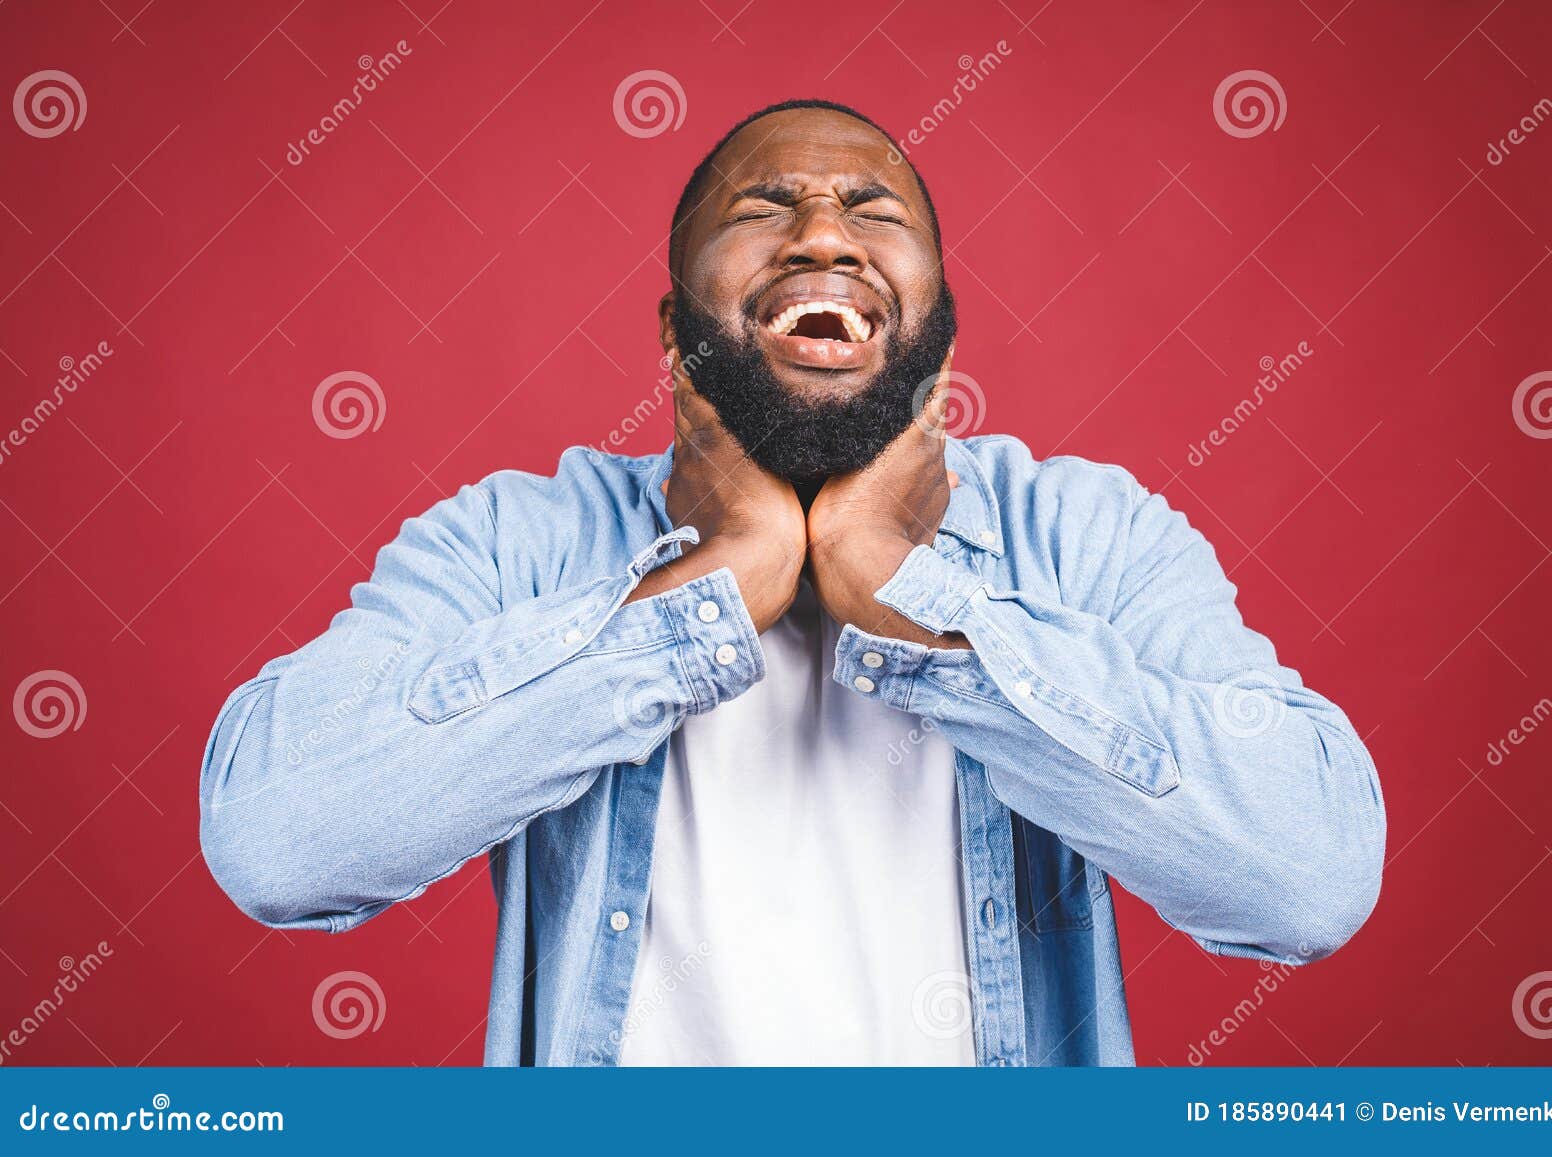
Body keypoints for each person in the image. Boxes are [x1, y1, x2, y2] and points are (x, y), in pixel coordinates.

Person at [199, 99, 1386, 1067]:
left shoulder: (1085, 533)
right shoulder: (521, 537)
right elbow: (281, 840)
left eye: (870, 209)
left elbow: (1303, 877)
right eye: (766, 207)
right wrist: (710, 589)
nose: (823, 233)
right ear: (673, 332)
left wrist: (910, 586)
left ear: (939, 330)